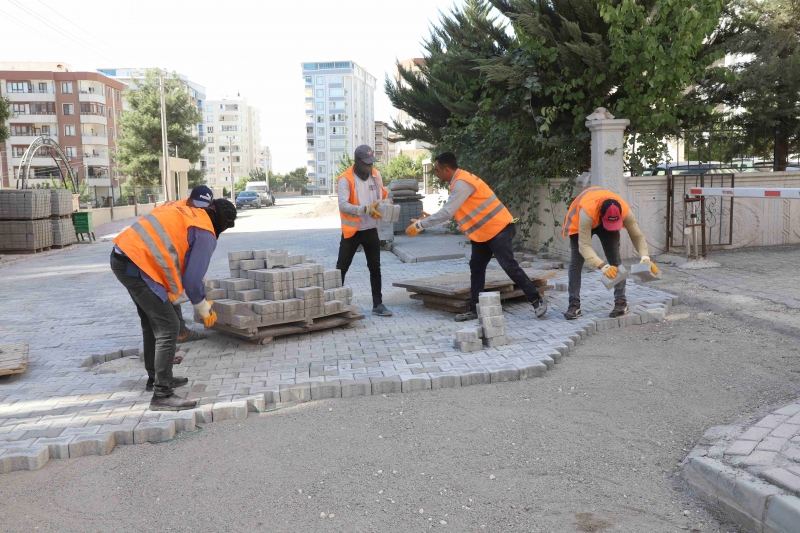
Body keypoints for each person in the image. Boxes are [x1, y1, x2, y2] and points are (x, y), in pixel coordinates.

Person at [111, 198, 237, 411]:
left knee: (153, 323)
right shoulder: (205, 232)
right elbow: (192, 281)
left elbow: (175, 251)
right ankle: (162, 394)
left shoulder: (189, 211)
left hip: (124, 257)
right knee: (168, 327)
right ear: (221, 220)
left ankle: (156, 378)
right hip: (137, 267)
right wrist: (204, 308)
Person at [405, 152, 547, 322]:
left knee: (508, 265)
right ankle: (474, 308)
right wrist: (430, 218)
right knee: (477, 268)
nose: (436, 174)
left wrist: (421, 225)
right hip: (483, 233)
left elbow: (448, 212)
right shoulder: (459, 181)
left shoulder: (462, 183)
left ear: (447, 169)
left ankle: (536, 300)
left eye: (436, 170)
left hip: (499, 228)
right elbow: (458, 209)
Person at [561, 186, 658, 320]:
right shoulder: (587, 212)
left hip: (602, 215)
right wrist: (603, 266)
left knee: (615, 261)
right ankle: (574, 304)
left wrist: (645, 257)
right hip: (581, 222)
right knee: (576, 263)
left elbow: (637, 236)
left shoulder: (624, 210)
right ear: (601, 216)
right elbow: (583, 246)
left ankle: (621, 302)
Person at [336, 145, 393, 317]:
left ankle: (378, 304)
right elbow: (343, 205)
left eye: (371, 163)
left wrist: (387, 206)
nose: (369, 167)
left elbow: (382, 196)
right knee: (341, 268)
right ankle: (336, 303)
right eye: (366, 164)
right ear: (357, 161)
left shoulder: (376, 175)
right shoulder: (345, 180)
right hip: (352, 231)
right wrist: (364, 210)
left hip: (370, 229)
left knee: (375, 267)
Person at [155, 186, 215, 348]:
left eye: (203, 207)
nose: (198, 209)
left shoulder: (187, 211)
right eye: (196, 204)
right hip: (153, 252)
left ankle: (180, 331)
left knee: (172, 290)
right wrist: (202, 305)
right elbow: (191, 281)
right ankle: (176, 333)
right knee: (167, 292)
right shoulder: (178, 211)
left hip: (161, 250)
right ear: (189, 199)